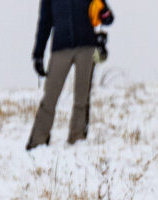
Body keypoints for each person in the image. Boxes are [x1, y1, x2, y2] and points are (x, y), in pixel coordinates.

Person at [26, 0, 114, 150]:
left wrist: (102, 13)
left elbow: (108, 18)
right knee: (50, 97)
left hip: (87, 47)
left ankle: (77, 139)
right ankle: (37, 142)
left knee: (82, 98)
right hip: (61, 48)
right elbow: (45, 22)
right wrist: (38, 54)